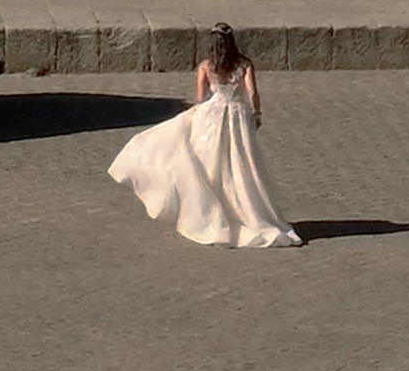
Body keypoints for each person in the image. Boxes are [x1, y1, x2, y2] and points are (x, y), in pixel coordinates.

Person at [108, 23, 302, 248]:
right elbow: (252, 92)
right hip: (237, 116)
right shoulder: (245, 65)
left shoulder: (206, 66)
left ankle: (214, 214)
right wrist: (256, 113)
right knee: (240, 164)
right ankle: (245, 213)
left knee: (211, 165)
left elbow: (200, 98)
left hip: (213, 115)